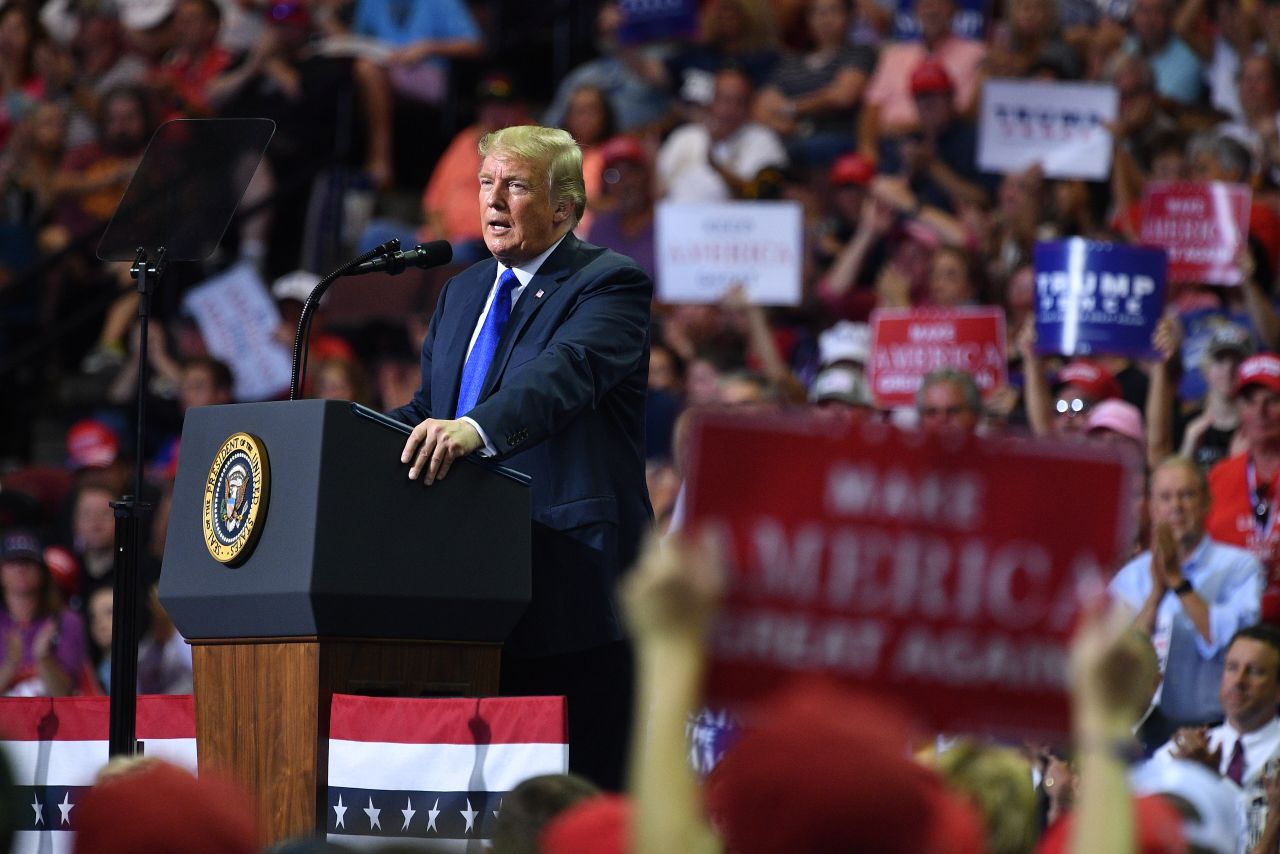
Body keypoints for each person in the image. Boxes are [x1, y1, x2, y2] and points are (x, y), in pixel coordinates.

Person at [389, 125, 653, 790]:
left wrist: (473, 429)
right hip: (468, 590)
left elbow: (561, 377)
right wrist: (334, 435)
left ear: (563, 207)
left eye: (515, 185)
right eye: (485, 184)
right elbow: (430, 413)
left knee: (581, 798)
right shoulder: (463, 292)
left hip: (572, 588)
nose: (493, 200)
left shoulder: (607, 284)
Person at [1109, 457, 1264, 739]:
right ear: (1153, 508)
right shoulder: (1128, 579)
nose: (1176, 507)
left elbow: (1231, 645)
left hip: (1216, 729)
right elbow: (1119, 660)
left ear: (1207, 502)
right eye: (1166, 498)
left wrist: (1178, 581)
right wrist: (1155, 596)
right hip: (1140, 732)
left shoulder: (1239, 567)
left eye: (1187, 495)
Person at [1147, 624, 1280, 853]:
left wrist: (1210, 783)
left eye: (1255, 671)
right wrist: (1184, 779)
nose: (1239, 681)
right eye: (1231, 668)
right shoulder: (1183, 749)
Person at [0, 528, 87, 696]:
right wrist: (10, 665)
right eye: (12, 562)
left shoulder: (66, 621)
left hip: (54, 720)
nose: (21, 569)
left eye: (28, 562)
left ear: (42, 571)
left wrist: (44, 658)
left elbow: (64, 694)